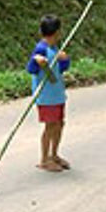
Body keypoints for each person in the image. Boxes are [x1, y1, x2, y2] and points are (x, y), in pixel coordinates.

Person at [27, 15, 72, 172]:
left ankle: (54, 155)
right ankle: (44, 159)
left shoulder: (55, 49)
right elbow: (31, 69)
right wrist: (36, 61)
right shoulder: (41, 49)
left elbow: (64, 68)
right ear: (57, 32)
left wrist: (65, 59)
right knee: (50, 126)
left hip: (57, 93)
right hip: (46, 96)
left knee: (59, 124)